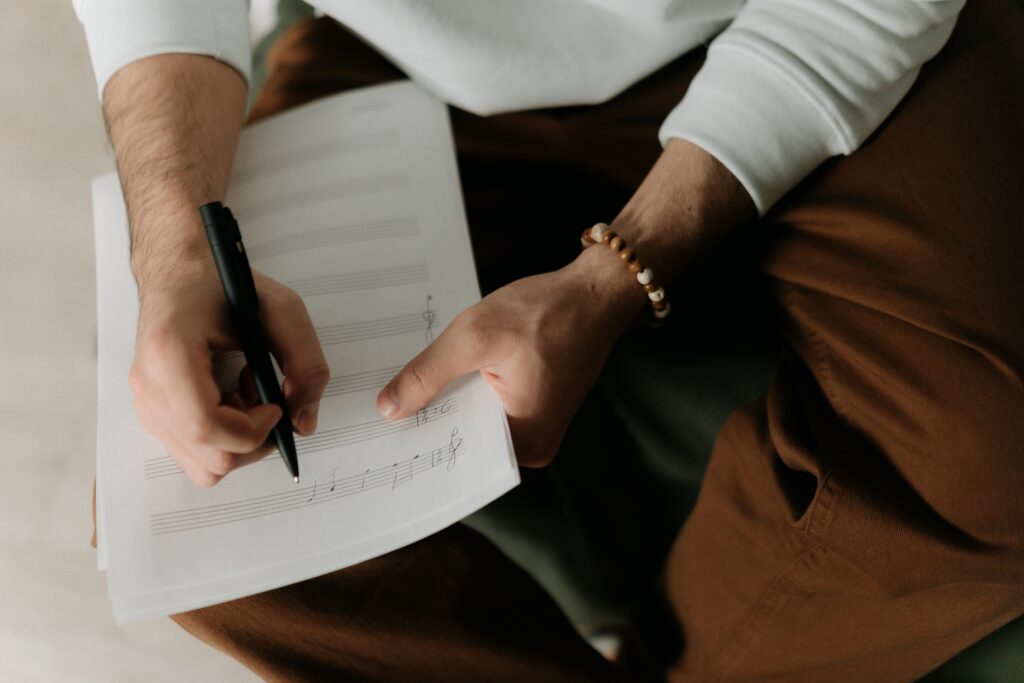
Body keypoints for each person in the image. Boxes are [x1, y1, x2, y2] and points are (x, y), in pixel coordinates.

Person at [75, 0, 1024, 680]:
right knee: (189, 516)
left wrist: (614, 276)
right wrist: (170, 251)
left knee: (993, 445)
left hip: (804, 30)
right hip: (401, 58)